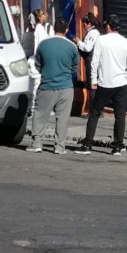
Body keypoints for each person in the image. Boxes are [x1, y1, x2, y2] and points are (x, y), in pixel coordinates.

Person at [74, 14, 127, 156]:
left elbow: (94, 62)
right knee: (120, 116)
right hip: (121, 84)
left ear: (108, 26)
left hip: (104, 84)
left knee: (94, 113)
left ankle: (88, 144)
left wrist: (94, 81)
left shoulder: (101, 40)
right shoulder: (126, 42)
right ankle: (118, 146)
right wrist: (124, 76)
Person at [26, 17, 79, 155]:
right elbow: (74, 68)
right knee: (62, 118)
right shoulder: (72, 46)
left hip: (47, 85)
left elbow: (37, 64)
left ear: (54, 28)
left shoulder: (44, 44)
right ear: (66, 30)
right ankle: (59, 147)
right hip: (66, 87)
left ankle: (37, 143)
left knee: (40, 115)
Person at [73, 12, 102, 107]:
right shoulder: (91, 32)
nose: (83, 26)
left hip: (92, 62)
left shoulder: (93, 33)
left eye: (84, 24)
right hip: (90, 62)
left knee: (92, 85)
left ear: (89, 23)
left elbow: (88, 48)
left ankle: (94, 109)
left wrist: (78, 42)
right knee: (92, 85)